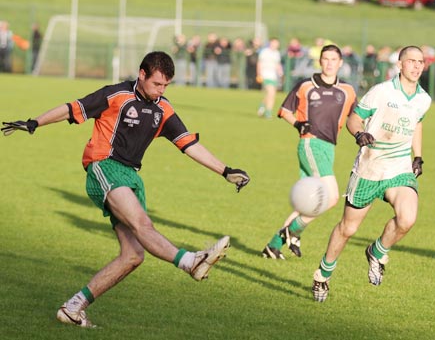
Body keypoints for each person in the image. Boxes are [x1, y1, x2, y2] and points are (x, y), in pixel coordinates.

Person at [1, 51, 250, 327]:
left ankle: (73, 308)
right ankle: (190, 261)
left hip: (130, 177)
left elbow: (188, 144)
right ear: (142, 74)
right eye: (157, 84)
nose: (160, 91)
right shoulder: (115, 95)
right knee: (143, 224)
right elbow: (73, 108)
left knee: (133, 255)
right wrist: (35, 122)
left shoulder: (163, 109)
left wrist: (225, 170)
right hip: (104, 167)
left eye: (166, 86)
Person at [311, 45, 432, 303]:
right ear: (399, 65)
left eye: (420, 62)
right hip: (369, 168)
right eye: (411, 61)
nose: (417, 66)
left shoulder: (424, 99)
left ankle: (377, 252)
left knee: (407, 219)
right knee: (348, 228)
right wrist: (359, 133)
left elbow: (417, 123)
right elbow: (355, 118)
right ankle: (323, 274)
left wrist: (418, 156)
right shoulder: (381, 91)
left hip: (399, 167)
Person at [261, 45, 357, 259]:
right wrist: (297, 124)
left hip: (329, 148)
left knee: (311, 200)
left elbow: (356, 118)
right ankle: (291, 231)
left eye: (334, 59)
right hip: (310, 144)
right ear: (320, 61)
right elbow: (284, 111)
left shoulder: (348, 91)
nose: (330, 63)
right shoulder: (305, 86)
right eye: (325, 59)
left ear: (340, 63)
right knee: (330, 197)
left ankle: (274, 245)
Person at [256, 37, 283, 119]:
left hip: (273, 76)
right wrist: (259, 74)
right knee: (271, 93)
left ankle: (262, 105)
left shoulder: (277, 53)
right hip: (265, 75)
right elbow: (259, 63)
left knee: (270, 94)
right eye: (273, 43)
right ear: (270, 43)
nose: (275, 45)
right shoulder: (264, 52)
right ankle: (268, 113)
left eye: (276, 43)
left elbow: (277, 64)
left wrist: (281, 73)